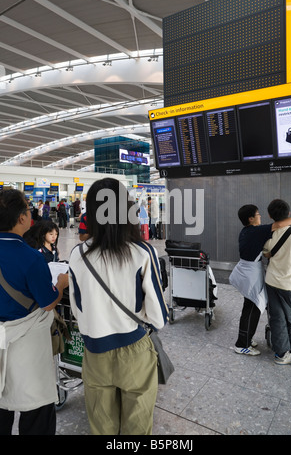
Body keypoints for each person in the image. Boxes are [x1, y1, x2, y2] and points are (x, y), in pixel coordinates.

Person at [68, 178, 169, 435]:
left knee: (102, 425)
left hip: (95, 350)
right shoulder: (142, 252)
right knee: (137, 425)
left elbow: (77, 308)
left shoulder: (78, 255)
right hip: (134, 349)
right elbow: (158, 316)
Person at [0, 189, 68, 435]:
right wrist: (60, 285)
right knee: (36, 409)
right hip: (25, 346)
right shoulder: (30, 258)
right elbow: (48, 301)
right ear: (20, 218)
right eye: (29, 210)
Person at [230, 204, 291, 356]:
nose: (260, 216)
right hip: (250, 275)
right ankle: (242, 344)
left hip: (246, 272)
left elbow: (266, 253)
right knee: (252, 310)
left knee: (249, 308)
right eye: (258, 214)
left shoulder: (247, 231)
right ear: (251, 218)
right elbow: (280, 224)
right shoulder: (257, 231)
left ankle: (246, 338)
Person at [263, 199, 291, 365]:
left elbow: (267, 254)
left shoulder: (268, 235)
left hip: (271, 282)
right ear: (289, 214)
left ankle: (281, 354)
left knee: (277, 317)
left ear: (270, 215)